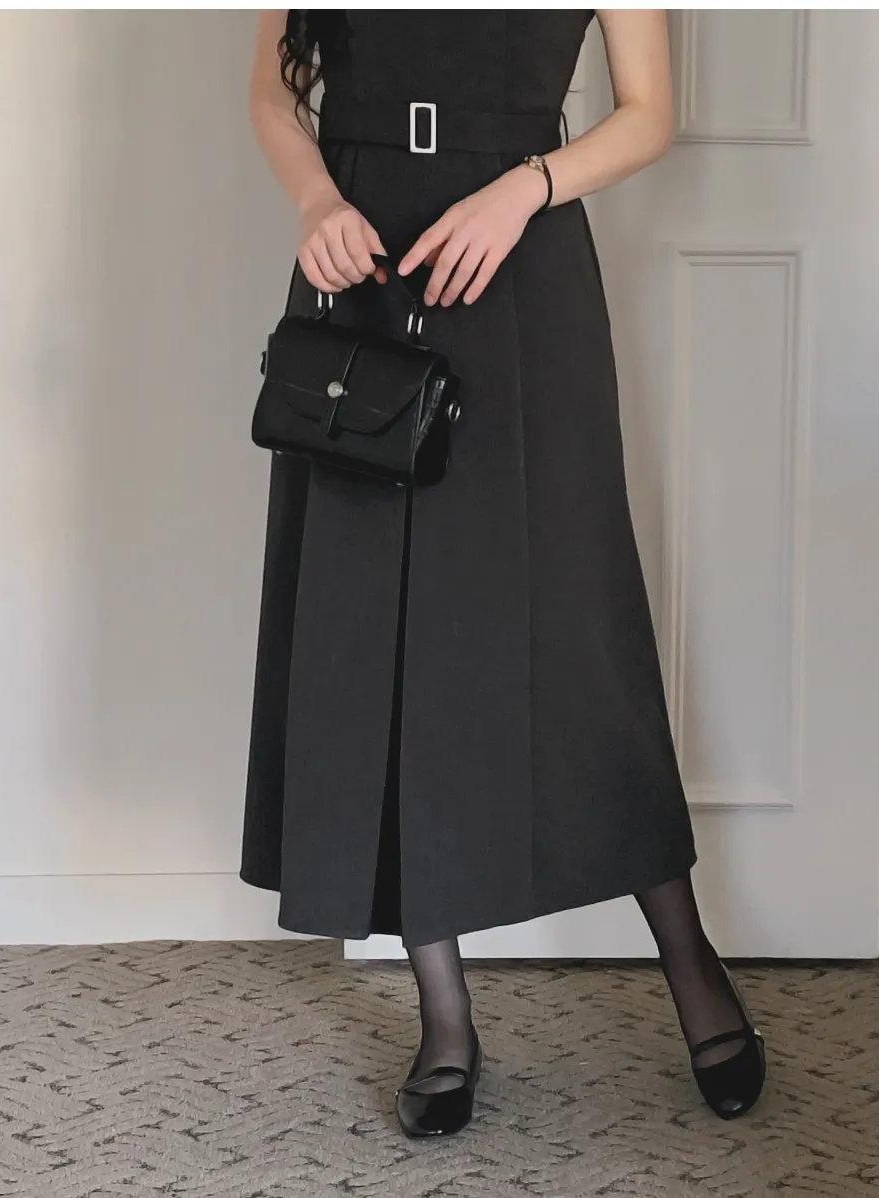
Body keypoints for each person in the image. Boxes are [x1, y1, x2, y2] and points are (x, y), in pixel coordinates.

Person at [239, 10, 766, 1138]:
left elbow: (648, 116)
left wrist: (527, 188)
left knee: (578, 635)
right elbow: (271, 90)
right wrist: (315, 200)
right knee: (379, 631)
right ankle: (444, 1018)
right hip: (362, 265)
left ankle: (691, 967)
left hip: (517, 260)